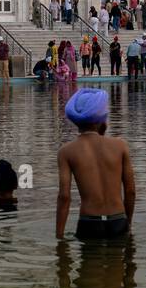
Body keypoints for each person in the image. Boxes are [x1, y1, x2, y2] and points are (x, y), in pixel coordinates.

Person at [56, 89, 135, 241]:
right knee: (117, 263)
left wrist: (59, 237)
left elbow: (64, 196)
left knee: (89, 264)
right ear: (102, 118)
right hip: (117, 219)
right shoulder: (120, 146)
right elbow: (130, 191)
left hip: (89, 222)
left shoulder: (66, 152)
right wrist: (128, 223)